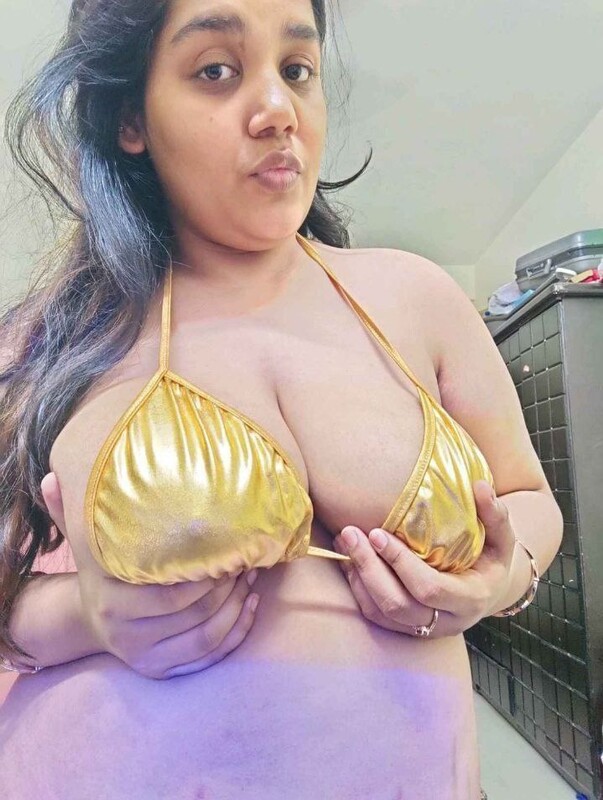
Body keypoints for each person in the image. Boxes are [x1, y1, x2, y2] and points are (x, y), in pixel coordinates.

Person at [0, 0, 563, 798]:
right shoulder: (56, 337)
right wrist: (87, 618)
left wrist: (499, 581)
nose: (277, 110)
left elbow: (528, 497)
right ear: (131, 118)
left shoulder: (414, 296)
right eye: (215, 71)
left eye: (296, 70)